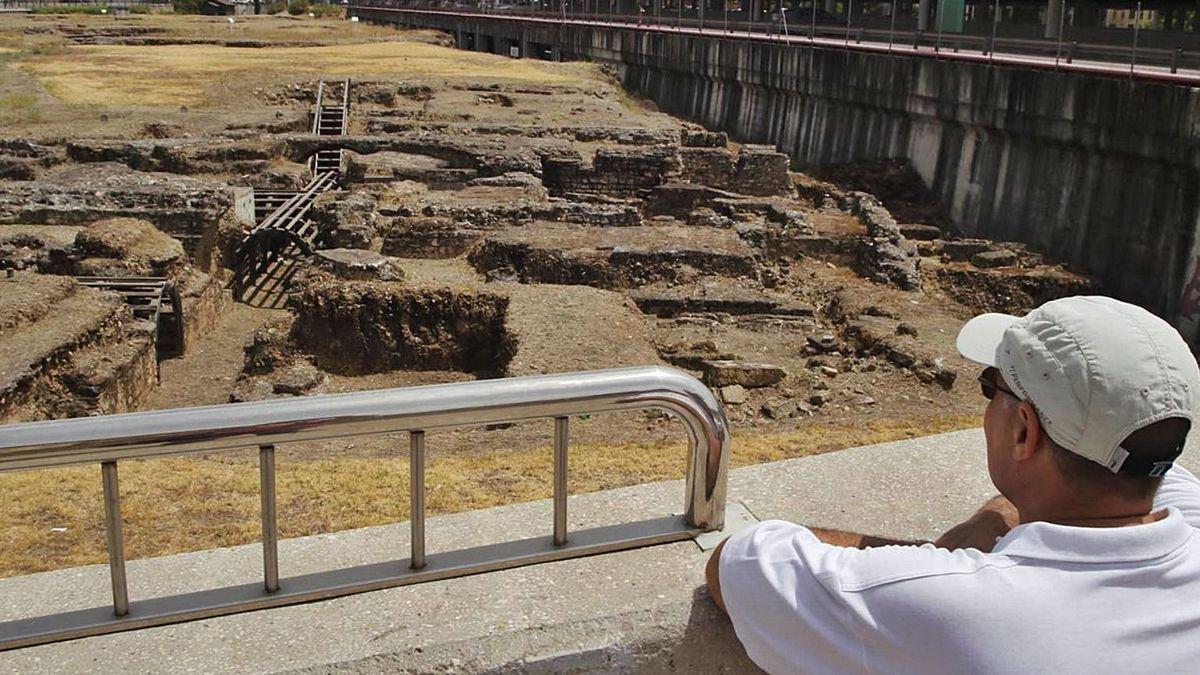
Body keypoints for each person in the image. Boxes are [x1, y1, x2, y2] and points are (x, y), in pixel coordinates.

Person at [706, 296, 1200, 674]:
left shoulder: (947, 608)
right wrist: (1000, 512)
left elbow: (740, 559)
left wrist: (950, 550)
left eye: (993, 387)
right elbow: (1134, 470)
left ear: (1024, 431)